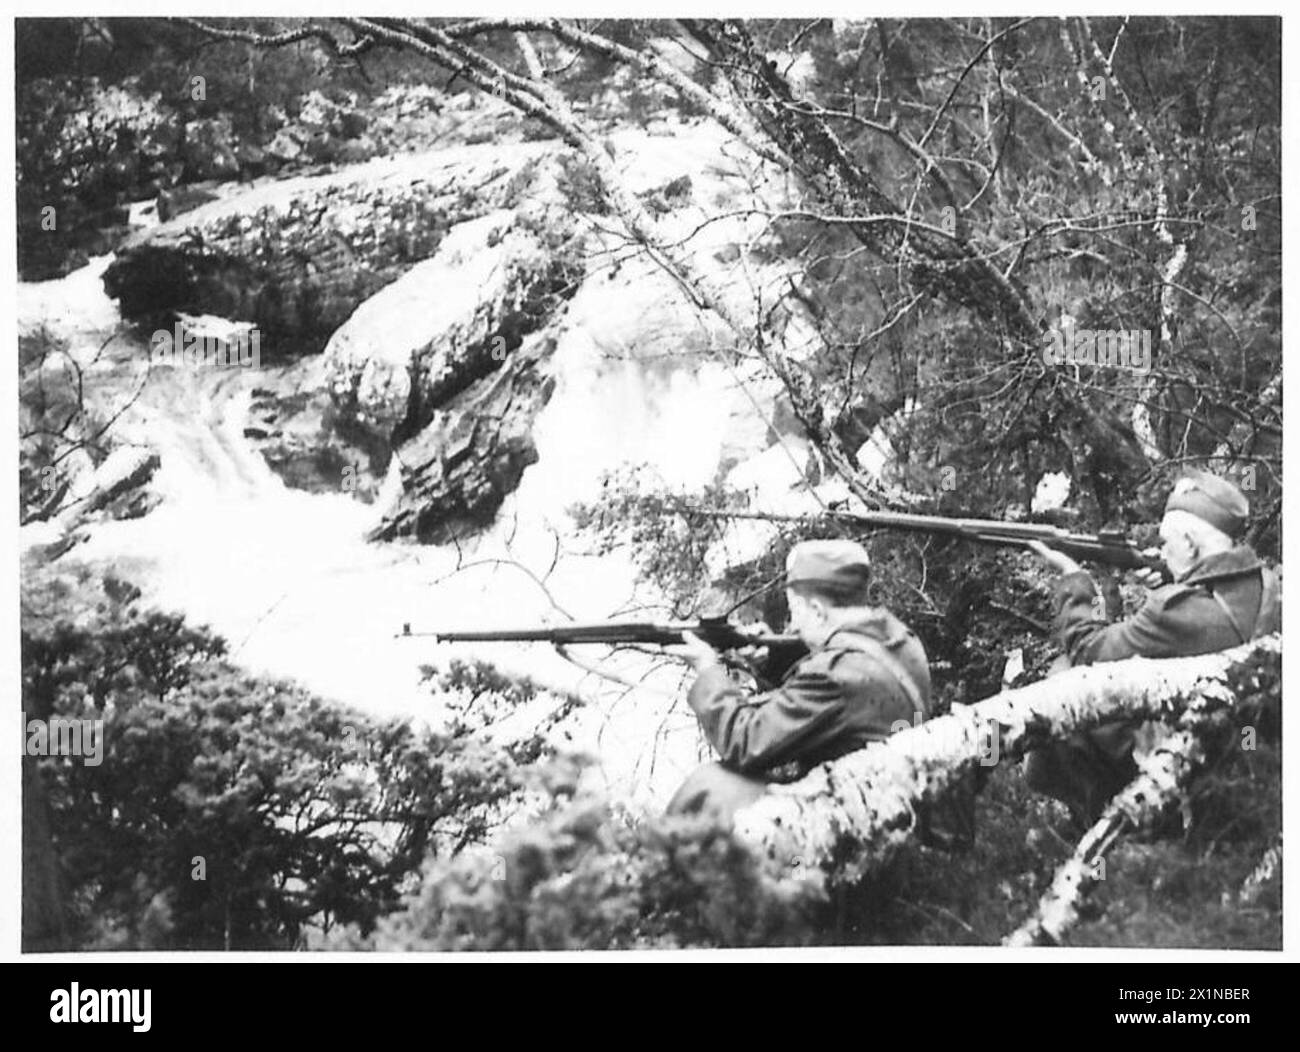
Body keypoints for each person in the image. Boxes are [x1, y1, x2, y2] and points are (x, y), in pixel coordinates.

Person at [1024, 470, 1280, 825]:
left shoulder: (1174, 612)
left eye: (1166, 542)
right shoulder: (1267, 585)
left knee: (1062, 679)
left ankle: (1097, 822)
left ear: (1189, 545)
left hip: (1196, 772)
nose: (1161, 550)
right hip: (1250, 752)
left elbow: (1089, 652)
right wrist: (1178, 579)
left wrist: (1074, 581)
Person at [666, 539, 932, 824]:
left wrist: (708, 670)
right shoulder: (900, 639)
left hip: (859, 820)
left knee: (711, 786)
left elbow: (744, 744)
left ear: (817, 611)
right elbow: (833, 701)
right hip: (894, 796)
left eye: (795, 612)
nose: (793, 626)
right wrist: (773, 661)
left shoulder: (833, 673)